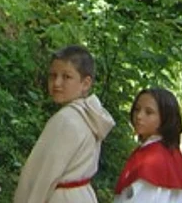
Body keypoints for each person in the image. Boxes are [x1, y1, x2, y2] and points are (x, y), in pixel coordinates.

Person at [13, 44, 115, 203]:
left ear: (86, 83)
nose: (57, 83)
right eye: (53, 76)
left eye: (66, 77)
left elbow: (43, 175)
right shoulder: (90, 115)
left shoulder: (67, 119)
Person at [113, 88, 182, 202]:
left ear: (165, 118)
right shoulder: (167, 151)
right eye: (137, 109)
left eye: (149, 112)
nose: (139, 116)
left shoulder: (154, 159)